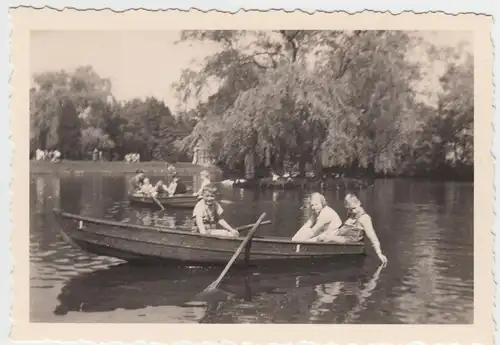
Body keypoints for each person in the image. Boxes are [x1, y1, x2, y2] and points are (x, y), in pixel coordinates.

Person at [313, 193, 388, 264]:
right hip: (342, 236)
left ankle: (311, 249)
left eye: (354, 208)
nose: (353, 211)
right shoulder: (351, 214)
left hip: (350, 241)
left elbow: (373, 237)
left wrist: (379, 254)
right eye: (350, 209)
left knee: (324, 238)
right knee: (322, 234)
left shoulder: (364, 218)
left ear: (359, 203)